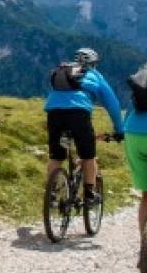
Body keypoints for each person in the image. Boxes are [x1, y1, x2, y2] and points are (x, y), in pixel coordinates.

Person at [44, 47, 124, 206]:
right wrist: (119, 130)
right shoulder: (95, 75)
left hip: (54, 113)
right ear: (93, 63)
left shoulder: (63, 71)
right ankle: (89, 195)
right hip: (78, 114)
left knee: (56, 156)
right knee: (88, 156)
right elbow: (113, 104)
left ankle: (51, 194)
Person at [123, 62, 147, 241]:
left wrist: (122, 131)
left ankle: (146, 249)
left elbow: (128, 112)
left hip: (134, 133)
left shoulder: (143, 81)